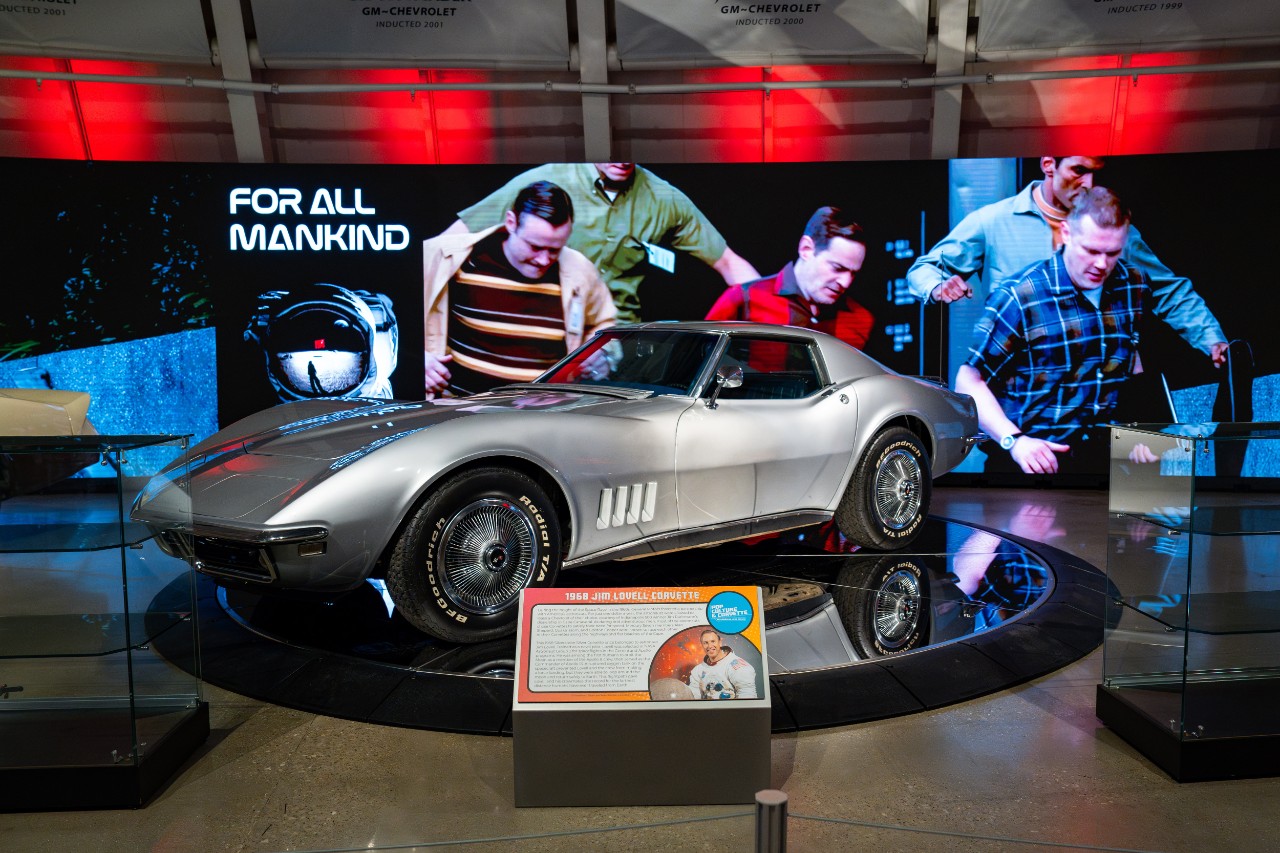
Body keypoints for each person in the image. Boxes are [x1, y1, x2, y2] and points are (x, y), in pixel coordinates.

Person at [906, 155, 1228, 368]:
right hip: (1026, 395)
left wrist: (1212, 340)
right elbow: (924, 269)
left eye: (1095, 173)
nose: (1088, 183)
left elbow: (1168, 291)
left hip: (1102, 393)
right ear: (1049, 164)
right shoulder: (993, 221)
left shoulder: (1113, 231)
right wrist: (938, 286)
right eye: (1078, 170)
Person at [955, 187, 1155, 476]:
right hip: (1027, 464)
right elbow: (967, 381)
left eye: (1112, 253)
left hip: (1105, 464)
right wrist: (1015, 442)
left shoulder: (1133, 284)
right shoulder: (1019, 296)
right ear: (1066, 233)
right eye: (1092, 250)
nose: (1101, 264)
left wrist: (1141, 431)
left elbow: (1132, 361)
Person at [445, 163, 759, 324]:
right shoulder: (549, 178)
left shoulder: (663, 197)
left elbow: (729, 263)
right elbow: (449, 243)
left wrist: (774, 321)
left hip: (616, 347)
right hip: (544, 333)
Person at [422, 180, 616, 397]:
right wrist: (418, 360)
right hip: (457, 415)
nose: (543, 260)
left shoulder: (580, 271)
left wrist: (600, 355)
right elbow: (392, 316)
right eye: (535, 246)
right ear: (511, 222)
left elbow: (604, 326)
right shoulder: (448, 257)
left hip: (542, 420)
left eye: (555, 249)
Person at [704, 206, 874, 349]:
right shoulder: (745, 298)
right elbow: (698, 360)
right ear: (806, 248)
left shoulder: (860, 319)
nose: (845, 282)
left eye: (853, 273)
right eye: (837, 268)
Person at [687, 629, 758, 700]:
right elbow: (694, 695)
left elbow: (747, 696)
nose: (710, 646)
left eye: (713, 641)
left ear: (720, 642)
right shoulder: (698, 670)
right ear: (702, 645)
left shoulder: (737, 666)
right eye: (705, 643)